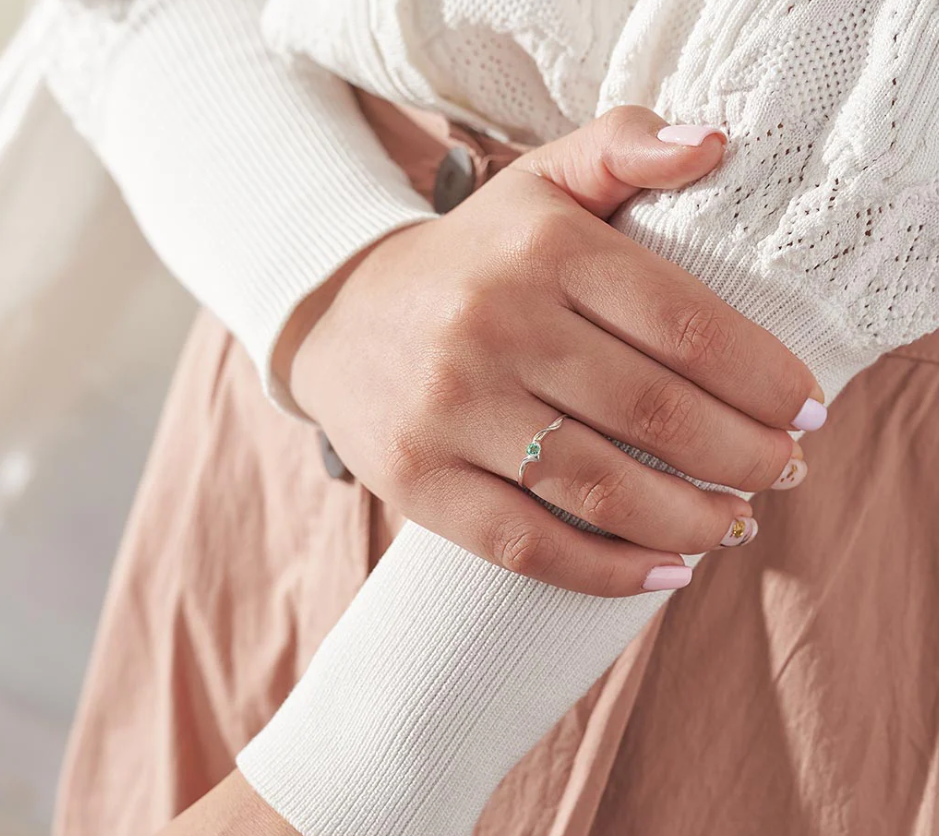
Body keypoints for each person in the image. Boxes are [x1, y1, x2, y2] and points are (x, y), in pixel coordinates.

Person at [3, 0, 936, 833]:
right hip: (296, 378)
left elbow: (864, 105)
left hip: (776, 546)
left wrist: (348, 781)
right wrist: (333, 274)